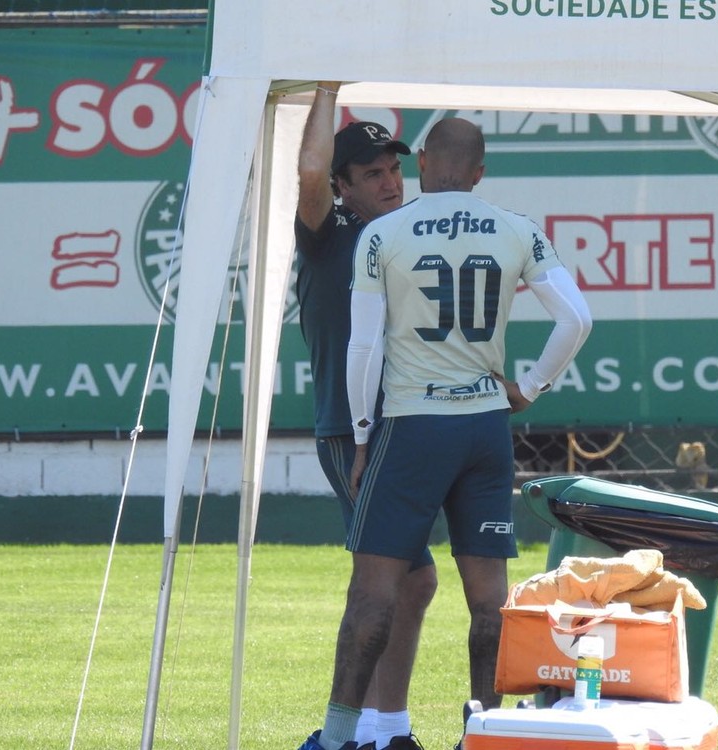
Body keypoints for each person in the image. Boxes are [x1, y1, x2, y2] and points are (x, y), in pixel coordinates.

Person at [301, 116, 593, 750]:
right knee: (490, 600)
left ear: (426, 161)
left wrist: (358, 434)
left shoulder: (382, 234)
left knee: (374, 592)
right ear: (481, 170)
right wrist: (531, 386)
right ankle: (483, 733)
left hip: (411, 425)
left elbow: (363, 347)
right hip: (486, 427)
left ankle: (340, 737)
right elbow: (576, 318)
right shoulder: (519, 228)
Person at [294, 82, 437, 750]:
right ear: (346, 188)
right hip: (347, 430)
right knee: (400, 582)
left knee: (406, 584)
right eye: (373, 174)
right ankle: (358, 734)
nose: (389, 182)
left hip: (401, 427)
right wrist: (328, 85)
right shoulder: (331, 234)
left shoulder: (405, 236)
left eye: (394, 169)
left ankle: (376, 731)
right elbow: (310, 171)